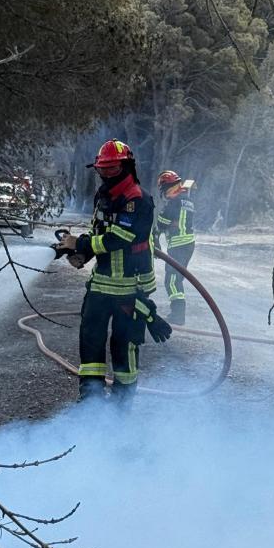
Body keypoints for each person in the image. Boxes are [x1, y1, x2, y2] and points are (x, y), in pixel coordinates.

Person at [56, 140, 171, 405]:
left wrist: (82, 243)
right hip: (100, 285)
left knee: (124, 346)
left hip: (131, 286)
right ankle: (91, 399)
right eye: (103, 170)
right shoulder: (103, 196)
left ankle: (122, 403)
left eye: (112, 169)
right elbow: (100, 233)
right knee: (91, 340)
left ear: (126, 166)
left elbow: (121, 237)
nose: (106, 175)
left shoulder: (138, 199)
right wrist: (83, 254)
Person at [155, 170, 196, 325]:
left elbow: (161, 222)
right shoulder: (186, 199)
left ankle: (178, 315)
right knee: (177, 278)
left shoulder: (174, 202)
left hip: (178, 245)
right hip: (188, 244)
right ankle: (178, 313)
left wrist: (157, 232)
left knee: (172, 280)